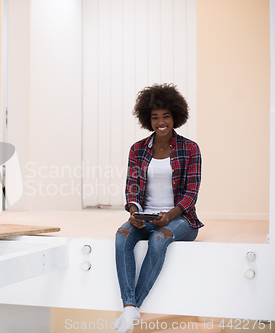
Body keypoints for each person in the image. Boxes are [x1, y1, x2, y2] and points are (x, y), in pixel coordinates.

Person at [114, 83, 203, 333]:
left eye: (166, 116)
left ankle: (134, 305)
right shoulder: (138, 149)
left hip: (181, 219)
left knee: (158, 239)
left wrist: (170, 215)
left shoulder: (190, 148)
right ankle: (129, 304)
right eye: (155, 117)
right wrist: (134, 213)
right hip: (146, 215)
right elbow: (131, 186)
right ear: (147, 120)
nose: (161, 121)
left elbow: (190, 194)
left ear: (175, 116)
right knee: (121, 237)